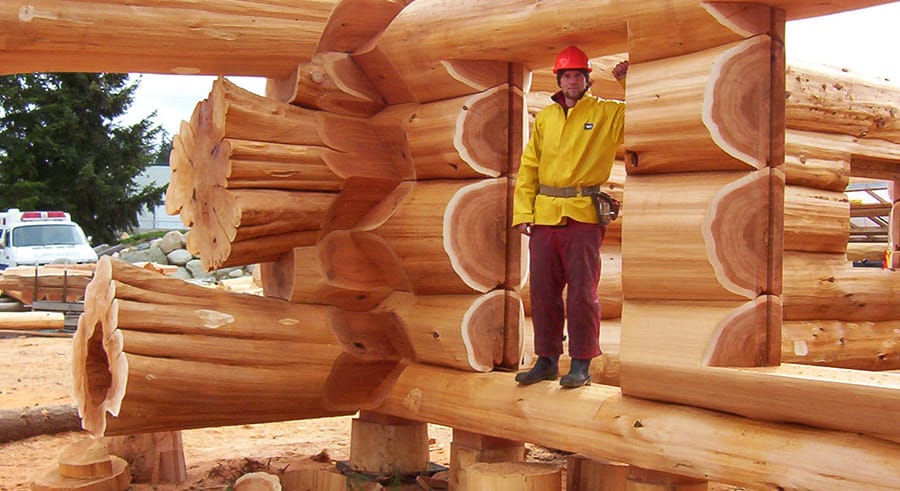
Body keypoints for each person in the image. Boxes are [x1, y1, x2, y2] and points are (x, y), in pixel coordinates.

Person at [512, 46, 627, 388]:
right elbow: (529, 165)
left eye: (578, 75)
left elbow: (645, 113)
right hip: (545, 216)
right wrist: (523, 210)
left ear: (587, 79)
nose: (572, 81)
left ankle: (581, 364)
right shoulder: (545, 118)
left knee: (581, 292)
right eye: (567, 75)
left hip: (583, 216)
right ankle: (546, 360)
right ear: (559, 80)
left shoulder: (607, 112)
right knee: (543, 292)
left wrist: (629, 83)